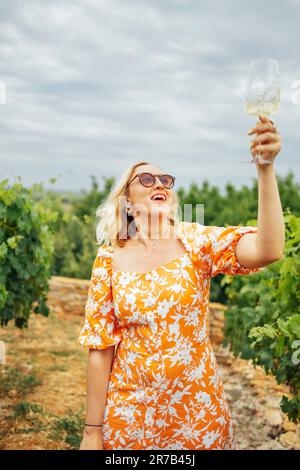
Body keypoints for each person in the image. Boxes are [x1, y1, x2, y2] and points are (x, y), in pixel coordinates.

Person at [78, 115, 285, 450]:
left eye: (165, 179)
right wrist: (91, 431)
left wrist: (265, 169)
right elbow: (100, 350)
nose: (159, 183)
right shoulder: (108, 260)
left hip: (197, 415)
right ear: (127, 200)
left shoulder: (196, 242)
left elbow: (269, 249)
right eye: (146, 178)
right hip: (131, 416)